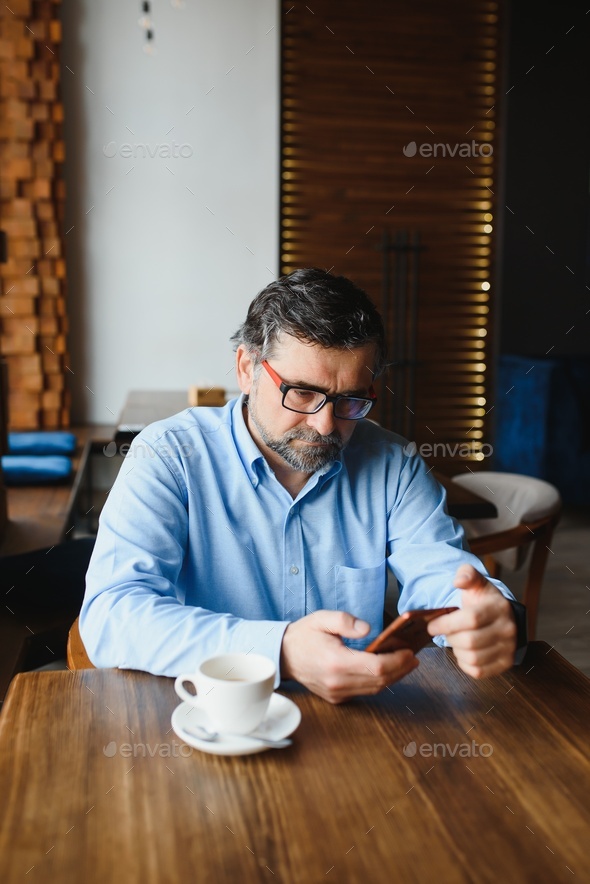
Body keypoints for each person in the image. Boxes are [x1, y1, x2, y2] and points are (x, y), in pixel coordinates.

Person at [80, 269, 526, 703]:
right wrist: (280, 651)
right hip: (212, 719)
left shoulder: (393, 463)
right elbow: (113, 615)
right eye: (302, 393)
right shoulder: (168, 454)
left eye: (351, 399)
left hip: (356, 726)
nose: (325, 424)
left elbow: (445, 580)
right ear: (246, 369)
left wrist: (491, 617)